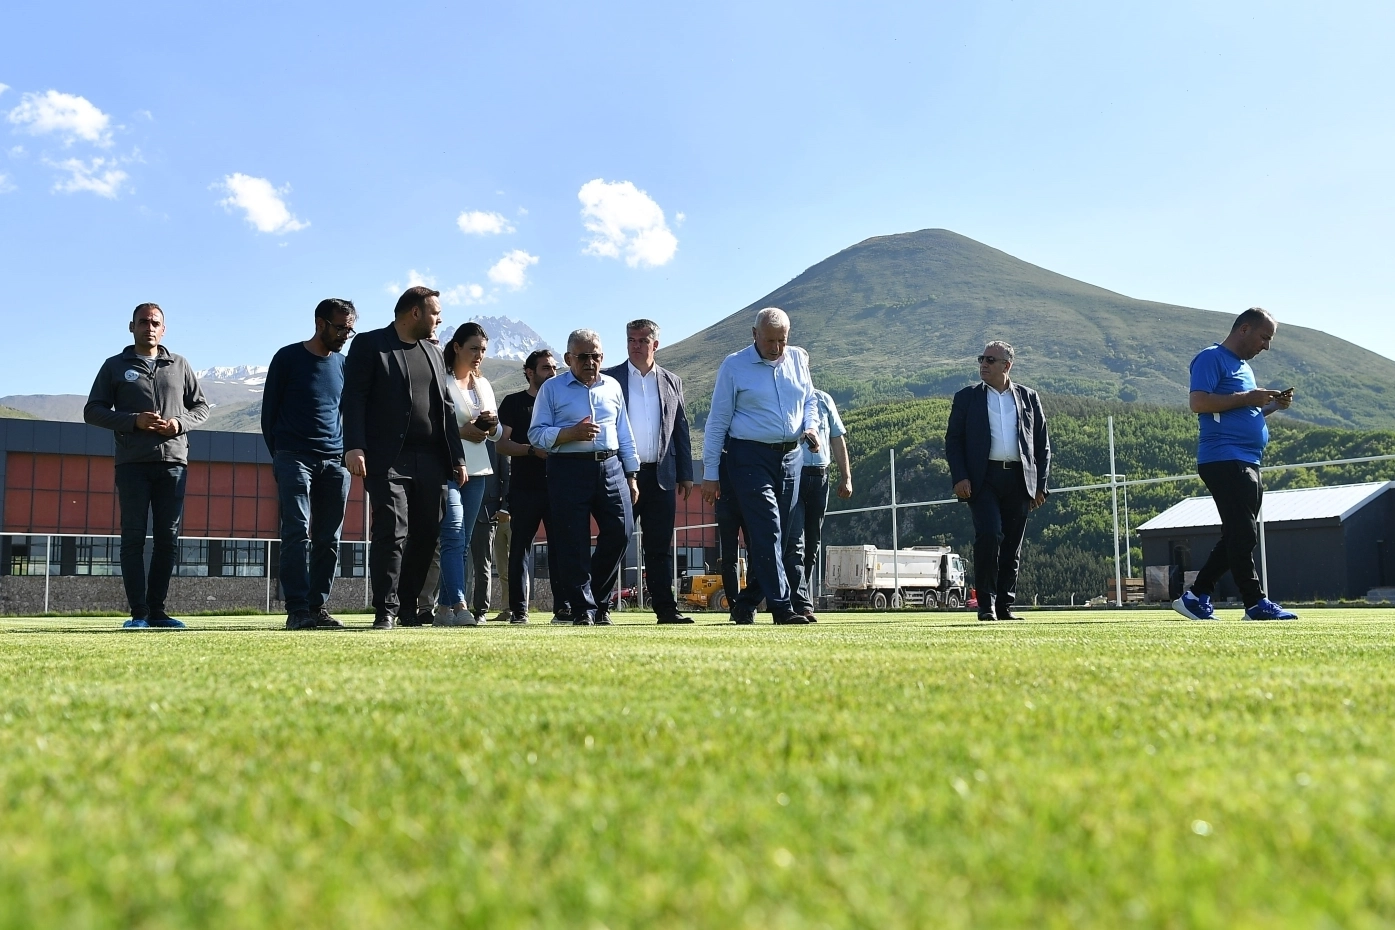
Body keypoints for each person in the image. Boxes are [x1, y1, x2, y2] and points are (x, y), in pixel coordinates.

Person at [341, 285, 467, 629]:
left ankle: (409, 607)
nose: (439, 319)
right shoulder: (370, 344)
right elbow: (354, 398)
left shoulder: (434, 352)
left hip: (431, 459)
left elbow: (446, 407)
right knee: (392, 530)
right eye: (435, 313)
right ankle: (386, 608)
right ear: (415, 312)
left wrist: (457, 458)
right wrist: (354, 445)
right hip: (387, 458)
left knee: (427, 533)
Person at [84, 302, 209, 629]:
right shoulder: (114, 366)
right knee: (133, 538)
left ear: (163, 329)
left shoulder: (179, 365)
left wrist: (179, 424)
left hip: (173, 464)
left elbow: (201, 408)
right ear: (132, 327)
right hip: (132, 465)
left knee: (167, 539)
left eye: (155, 323)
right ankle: (138, 613)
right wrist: (133, 421)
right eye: (143, 322)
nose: (149, 327)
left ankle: (157, 612)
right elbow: (92, 411)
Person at [1173, 307, 1298, 622]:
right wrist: (1248, 398)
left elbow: (1243, 411)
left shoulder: (1243, 367)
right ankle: (1255, 603)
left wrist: (1271, 405)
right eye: (1264, 338)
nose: (1266, 346)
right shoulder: (1211, 358)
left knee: (1237, 535)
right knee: (1243, 533)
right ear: (1244, 329)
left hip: (1247, 460)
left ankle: (1196, 595)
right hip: (1223, 458)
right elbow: (1198, 402)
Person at [701, 307, 819, 625]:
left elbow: (809, 399)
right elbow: (717, 421)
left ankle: (745, 603)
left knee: (781, 537)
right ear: (754, 335)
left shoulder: (799, 359)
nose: (776, 348)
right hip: (748, 457)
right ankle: (782, 608)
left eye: (782, 340)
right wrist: (710, 473)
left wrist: (810, 426)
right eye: (769, 340)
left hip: (792, 457)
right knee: (768, 530)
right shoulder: (733, 366)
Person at [529, 329, 639, 626]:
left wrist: (631, 474)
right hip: (568, 468)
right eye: (583, 357)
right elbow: (536, 434)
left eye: (596, 356)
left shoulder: (612, 386)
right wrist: (569, 434)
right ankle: (583, 609)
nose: (591, 362)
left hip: (611, 467)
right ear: (568, 358)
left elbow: (624, 432)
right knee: (572, 540)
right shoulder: (552, 389)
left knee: (621, 531)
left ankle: (598, 601)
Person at [261, 298, 357, 631]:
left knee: (329, 537)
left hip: (335, 462)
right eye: (340, 328)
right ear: (320, 323)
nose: (345, 335)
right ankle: (298, 609)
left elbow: (347, 413)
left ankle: (317, 607)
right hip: (294, 458)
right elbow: (269, 414)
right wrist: (281, 456)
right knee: (296, 531)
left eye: (350, 329)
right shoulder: (287, 358)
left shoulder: (344, 365)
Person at [945, 341, 1051, 621]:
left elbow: (1042, 444)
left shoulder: (1029, 397)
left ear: (1007, 365)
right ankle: (985, 605)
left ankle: (1004, 606)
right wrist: (960, 477)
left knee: (1012, 545)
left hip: (1019, 479)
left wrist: (1040, 485)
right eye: (981, 358)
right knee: (990, 535)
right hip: (983, 480)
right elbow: (953, 441)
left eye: (990, 360)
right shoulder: (967, 397)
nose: (984, 364)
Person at [601, 318, 695, 624]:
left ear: (655, 344)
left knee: (659, 546)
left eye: (642, 340)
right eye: (631, 340)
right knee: (615, 539)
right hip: (621, 474)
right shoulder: (609, 379)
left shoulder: (672, 381)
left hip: (661, 476)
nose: (636, 345)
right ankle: (598, 607)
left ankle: (666, 609)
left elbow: (680, 429)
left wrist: (686, 473)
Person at [435, 321, 502, 627]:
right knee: (453, 534)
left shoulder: (484, 385)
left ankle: (443, 609)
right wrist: (461, 431)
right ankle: (460, 605)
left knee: (461, 542)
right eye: (473, 348)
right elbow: (431, 425)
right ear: (457, 347)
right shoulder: (441, 381)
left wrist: (490, 426)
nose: (479, 355)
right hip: (447, 467)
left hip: (479, 470)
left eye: (483, 350)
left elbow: (496, 434)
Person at [497, 349, 566, 624]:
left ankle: (563, 609)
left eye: (554, 368)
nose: (552, 373)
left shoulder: (562, 403)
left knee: (560, 549)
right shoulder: (514, 403)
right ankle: (518, 610)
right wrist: (531, 450)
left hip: (558, 487)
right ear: (529, 372)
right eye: (546, 368)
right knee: (520, 549)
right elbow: (502, 444)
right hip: (524, 488)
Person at [784, 387, 853, 621]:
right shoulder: (787, 397)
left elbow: (837, 438)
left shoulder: (824, 400)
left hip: (820, 478)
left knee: (812, 544)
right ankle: (802, 604)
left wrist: (846, 477)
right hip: (794, 475)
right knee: (795, 541)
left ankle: (799, 598)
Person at [465, 442, 503, 622]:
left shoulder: (495, 444)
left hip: (486, 514)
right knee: (460, 563)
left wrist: (504, 507)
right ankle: (457, 607)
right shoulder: (460, 437)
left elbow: (505, 477)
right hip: (461, 510)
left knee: (482, 565)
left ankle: (480, 610)